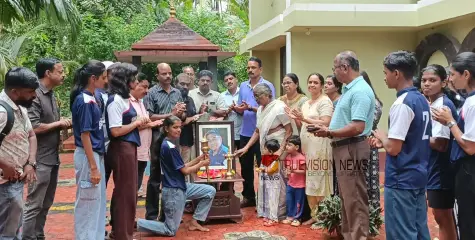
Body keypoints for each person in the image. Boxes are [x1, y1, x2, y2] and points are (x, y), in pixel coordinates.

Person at [311, 51, 375, 240]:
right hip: (344, 147)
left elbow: (357, 127)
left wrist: (329, 132)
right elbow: (345, 121)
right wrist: (324, 127)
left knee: (354, 198)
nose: (334, 72)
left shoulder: (360, 91)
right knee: (348, 198)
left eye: (335, 68)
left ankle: (359, 236)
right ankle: (349, 235)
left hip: (352, 147)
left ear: (345, 68)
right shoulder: (350, 89)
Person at [370, 51, 431, 240]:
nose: (384, 77)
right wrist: (387, 141)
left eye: (386, 72)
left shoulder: (402, 104)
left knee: (401, 233)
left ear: (396, 74)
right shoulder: (421, 99)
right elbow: (408, 138)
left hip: (401, 179)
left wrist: (382, 136)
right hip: (418, 175)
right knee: (420, 230)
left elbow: (394, 148)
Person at [137, 116, 216, 236]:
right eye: (175, 127)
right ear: (166, 129)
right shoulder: (169, 147)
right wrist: (201, 163)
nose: (179, 130)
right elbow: (185, 171)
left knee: (210, 191)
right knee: (170, 230)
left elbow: (181, 166)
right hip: (174, 192)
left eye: (180, 127)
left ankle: (195, 221)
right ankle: (138, 224)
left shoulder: (169, 144)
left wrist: (198, 159)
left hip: (181, 186)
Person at [23, 58, 72, 240]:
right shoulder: (34, 95)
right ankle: (27, 237)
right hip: (39, 159)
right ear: (47, 73)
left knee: (47, 202)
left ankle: (38, 235)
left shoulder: (51, 94)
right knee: (34, 203)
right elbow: (33, 127)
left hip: (52, 158)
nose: (63, 74)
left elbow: (50, 125)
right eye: (59, 71)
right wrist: (59, 123)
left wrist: (61, 126)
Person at [432, 52, 475, 240]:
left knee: (467, 222)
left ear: (466, 74)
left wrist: (450, 122)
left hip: (468, 170)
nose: (450, 79)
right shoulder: (468, 100)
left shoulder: (472, 103)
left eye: (452, 74)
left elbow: (470, 146)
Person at [235, 83, 292, 225]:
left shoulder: (279, 107)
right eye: (255, 97)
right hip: (266, 148)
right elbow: (258, 131)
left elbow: (289, 130)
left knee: (277, 180)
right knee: (266, 178)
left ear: (267, 95)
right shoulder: (260, 109)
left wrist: (281, 149)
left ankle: (278, 213)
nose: (256, 99)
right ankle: (267, 211)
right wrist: (246, 147)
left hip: (278, 147)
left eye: (258, 96)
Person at [105, 63, 149, 240]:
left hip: (130, 147)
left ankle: (124, 232)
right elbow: (115, 130)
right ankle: (122, 234)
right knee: (125, 193)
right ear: (125, 80)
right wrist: (136, 123)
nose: (136, 82)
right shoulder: (115, 100)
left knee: (130, 192)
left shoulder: (123, 99)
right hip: (122, 148)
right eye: (134, 78)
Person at [287, 73, 333, 228]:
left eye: (316, 82)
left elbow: (326, 122)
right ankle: (314, 215)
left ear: (321, 85)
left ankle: (324, 217)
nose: (312, 85)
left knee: (319, 180)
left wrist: (304, 119)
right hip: (307, 146)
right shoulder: (306, 103)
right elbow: (303, 126)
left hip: (320, 146)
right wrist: (296, 118)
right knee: (309, 181)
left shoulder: (325, 101)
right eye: (310, 82)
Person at [70, 61, 107, 240]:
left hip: (95, 154)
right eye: (104, 77)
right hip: (88, 155)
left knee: (97, 202)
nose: (106, 81)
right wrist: (93, 166)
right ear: (93, 78)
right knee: (87, 201)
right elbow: (85, 135)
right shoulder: (84, 100)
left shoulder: (94, 98)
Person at [143, 63, 186, 221]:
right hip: (158, 139)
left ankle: (170, 213)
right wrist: (171, 114)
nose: (168, 76)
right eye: (164, 74)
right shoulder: (152, 93)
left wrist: (180, 114)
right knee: (155, 177)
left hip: (175, 139)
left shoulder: (177, 92)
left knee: (174, 175)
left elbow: (180, 117)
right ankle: (152, 214)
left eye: (169, 73)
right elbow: (150, 116)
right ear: (157, 76)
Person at [232, 57, 276, 208]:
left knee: (263, 166)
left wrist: (250, 108)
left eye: (253, 67)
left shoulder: (268, 85)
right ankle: (248, 197)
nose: (250, 70)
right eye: (248, 68)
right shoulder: (243, 86)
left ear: (260, 69)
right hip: (245, 132)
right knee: (245, 167)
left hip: (263, 133)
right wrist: (238, 109)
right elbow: (241, 108)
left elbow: (270, 110)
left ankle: (265, 199)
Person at [0, 67, 38, 240]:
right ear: (14, 91)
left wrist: (30, 162)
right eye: (30, 91)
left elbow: (31, 135)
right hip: (4, 183)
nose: (34, 95)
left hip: (16, 180)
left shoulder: (20, 108)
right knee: (7, 232)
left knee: (14, 228)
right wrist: (5, 165)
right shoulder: (2, 112)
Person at [421, 64, 458, 240]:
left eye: (432, 80)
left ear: (444, 82)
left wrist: (416, 139)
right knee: (441, 216)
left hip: (441, 169)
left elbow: (441, 143)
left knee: (443, 217)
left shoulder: (442, 106)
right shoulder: (432, 103)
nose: (427, 84)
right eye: (424, 80)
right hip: (434, 168)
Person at [130, 73, 163, 198]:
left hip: (143, 151)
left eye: (147, 87)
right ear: (134, 83)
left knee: (136, 185)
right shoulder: (127, 102)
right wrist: (152, 124)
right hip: (134, 151)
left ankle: (129, 216)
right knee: (130, 187)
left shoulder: (140, 102)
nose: (146, 91)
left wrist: (151, 123)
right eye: (144, 87)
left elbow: (145, 121)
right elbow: (134, 125)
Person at [360, 71, 383, 209]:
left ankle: (371, 213)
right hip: (359, 141)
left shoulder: (374, 102)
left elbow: (369, 123)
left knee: (369, 178)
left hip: (368, 141)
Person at [175, 73, 200, 165]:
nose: (185, 87)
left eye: (187, 84)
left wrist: (200, 112)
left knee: (185, 169)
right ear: (175, 84)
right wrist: (190, 119)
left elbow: (193, 116)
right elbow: (171, 122)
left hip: (187, 141)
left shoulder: (190, 99)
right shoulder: (172, 99)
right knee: (174, 170)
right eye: (182, 84)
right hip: (175, 142)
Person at [282, 135, 306, 227]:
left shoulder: (301, 158)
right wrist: (287, 173)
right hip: (290, 183)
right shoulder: (288, 157)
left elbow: (304, 171)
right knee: (289, 200)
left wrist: (294, 171)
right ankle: (290, 216)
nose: (287, 147)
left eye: (289, 145)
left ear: (296, 147)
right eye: (286, 145)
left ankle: (297, 218)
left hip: (300, 185)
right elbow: (287, 169)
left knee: (298, 202)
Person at [221, 71, 242, 149]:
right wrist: (228, 110)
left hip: (242, 132)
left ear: (236, 79)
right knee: (228, 158)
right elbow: (220, 115)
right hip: (228, 132)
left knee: (244, 159)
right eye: (226, 80)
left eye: (231, 79)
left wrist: (237, 109)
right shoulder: (221, 96)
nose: (229, 81)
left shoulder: (243, 93)